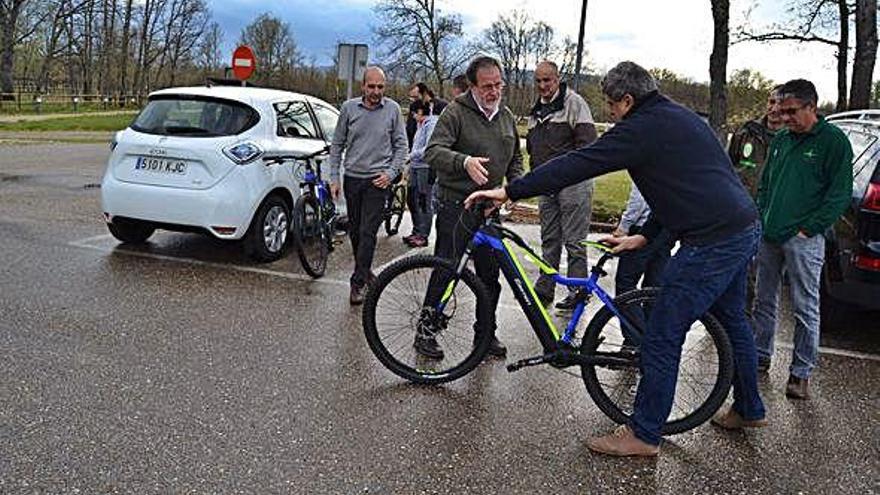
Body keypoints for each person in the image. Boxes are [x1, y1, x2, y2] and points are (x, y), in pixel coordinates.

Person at [465, 61, 767, 457]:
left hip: (712, 241)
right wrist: (646, 235)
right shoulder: (682, 118)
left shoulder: (641, 127)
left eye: (611, 104)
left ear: (627, 100)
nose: (609, 112)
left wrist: (510, 192)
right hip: (741, 226)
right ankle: (749, 407)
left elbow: (580, 163)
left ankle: (643, 434)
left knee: (662, 330)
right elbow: (689, 186)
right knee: (732, 322)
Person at [751, 79, 853, 399]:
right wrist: (761, 214)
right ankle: (760, 355)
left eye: (791, 111)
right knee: (763, 299)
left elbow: (839, 195)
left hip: (804, 239)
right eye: (781, 111)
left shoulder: (833, 142)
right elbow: (766, 182)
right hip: (769, 234)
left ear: (812, 107)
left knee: (805, 305)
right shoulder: (781, 138)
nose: (784, 118)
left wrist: (809, 229)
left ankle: (801, 372)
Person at [419, 55, 524, 359]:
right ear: (473, 87)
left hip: (489, 210)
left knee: (491, 276)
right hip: (457, 207)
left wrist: (513, 188)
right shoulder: (456, 113)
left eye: (498, 85)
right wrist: (463, 162)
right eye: (487, 86)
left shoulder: (505, 116)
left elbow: (515, 157)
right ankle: (425, 332)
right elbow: (433, 152)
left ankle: (486, 334)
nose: (494, 92)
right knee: (446, 269)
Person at [328, 66, 408, 305]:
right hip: (353, 178)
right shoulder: (349, 109)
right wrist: (334, 177)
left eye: (380, 87)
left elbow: (402, 146)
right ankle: (365, 270)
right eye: (371, 86)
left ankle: (357, 282)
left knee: (368, 232)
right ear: (363, 86)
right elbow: (337, 145)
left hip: (377, 181)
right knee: (356, 231)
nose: (376, 91)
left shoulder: (393, 110)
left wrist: (391, 173)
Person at [527, 60, 598, 310]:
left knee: (575, 242)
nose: (543, 85)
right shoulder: (536, 111)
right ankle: (545, 286)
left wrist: (568, 173)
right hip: (547, 186)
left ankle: (578, 291)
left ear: (557, 79)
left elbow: (588, 145)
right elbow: (533, 150)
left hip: (573, 185)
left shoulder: (574, 103)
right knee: (549, 239)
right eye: (538, 80)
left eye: (547, 80)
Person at [612, 183, 673, 296]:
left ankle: (632, 314)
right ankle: (651, 313)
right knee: (654, 285)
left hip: (643, 229)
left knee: (625, 284)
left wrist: (623, 227)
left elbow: (638, 202)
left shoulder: (646, 168)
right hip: (665, 229)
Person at [729, 85, 785, 197]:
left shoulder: (792, 140)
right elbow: (727, 166)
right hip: (741, 204)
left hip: (771, 209)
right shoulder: (745, 132)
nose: (774, 109)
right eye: (772, 102)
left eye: (781, 104)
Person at [403, 100, 439, 247]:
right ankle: (417, 231)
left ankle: (423, 236)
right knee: (412, 198)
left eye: (413, 113)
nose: (412, 116)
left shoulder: (431, 124)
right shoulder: (421, 125)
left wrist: (410, 156)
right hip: (415, 166)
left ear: (419, 112)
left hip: (426, 167)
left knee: (425, 201)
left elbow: (428, 148)